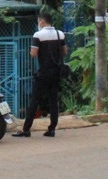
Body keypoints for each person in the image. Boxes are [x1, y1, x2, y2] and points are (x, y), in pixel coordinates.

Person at [13, 10, 67, 138]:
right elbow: (64, 51)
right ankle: (52, 128)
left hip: (43, 72)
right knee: (53, 100)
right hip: (56, 72)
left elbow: (33, 54)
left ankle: (26, 129)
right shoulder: (60, 34)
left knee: (34, 100)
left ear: (42, 21)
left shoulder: (38, 35)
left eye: (39, 21)